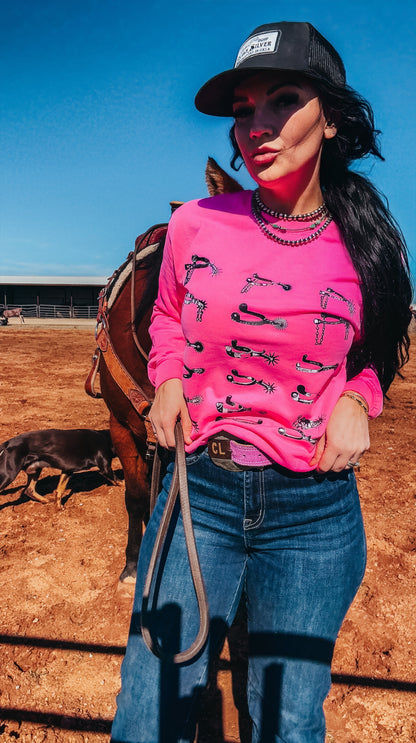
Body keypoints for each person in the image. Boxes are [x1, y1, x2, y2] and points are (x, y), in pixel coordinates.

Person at [111, 21, 412, 743]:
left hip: (313, 514)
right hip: (201, 495)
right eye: (245, 110)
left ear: (331, 118)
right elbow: (172, 317)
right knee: (147, 714)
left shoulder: (367, 240)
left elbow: (377, 348)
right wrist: (171, 378)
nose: (257, 126)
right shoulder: (197, 225)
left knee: (288, 722)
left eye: (283, 100)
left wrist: (355, 396)